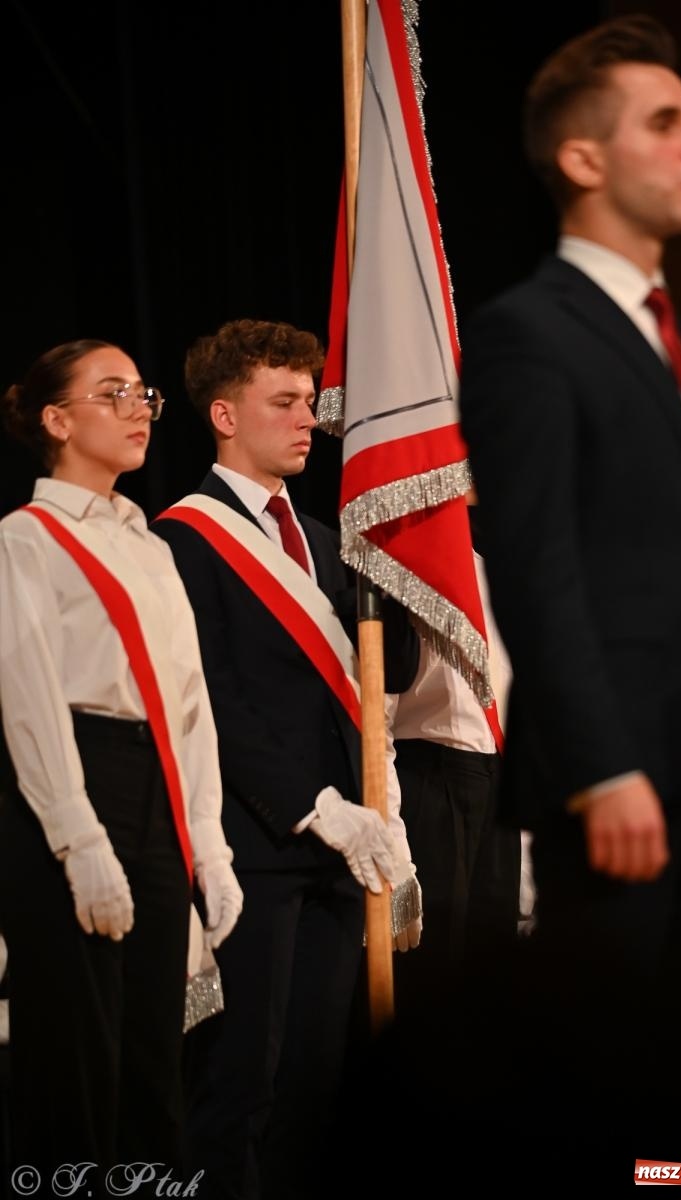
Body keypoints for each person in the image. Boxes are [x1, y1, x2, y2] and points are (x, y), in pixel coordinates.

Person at [457, 13, 681, 1168]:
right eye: (668, 120)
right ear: (584, 160)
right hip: (615, 786)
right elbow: (538, 568)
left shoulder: (680, 345)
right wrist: (602, 764)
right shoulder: (527, 336)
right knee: (601, 1092)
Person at [152, 318, 421, 1200]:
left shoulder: (320, 534)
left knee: (318, 1085)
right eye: (284, 402)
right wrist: (313, 802)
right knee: (242, 1087)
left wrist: (400, 563)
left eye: (310, 401)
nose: (308, 419)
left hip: (347, 851)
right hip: (257, 845)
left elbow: (389, 678)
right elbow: (210, 700)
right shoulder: (183, 539)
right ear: (224, 415)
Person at [0, 340, 243, 1187]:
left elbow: (190, 707)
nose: (141, 407)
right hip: (70, 786)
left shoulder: (148, 544)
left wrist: (207, 846)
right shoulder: (23, 540)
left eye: (143, 393)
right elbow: (26, 693)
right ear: (57, 420)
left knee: (151, 1057)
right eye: (114, 394)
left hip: (158, 793)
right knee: (74, 1058)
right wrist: (76, 835)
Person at [387, 502, 521, 1011]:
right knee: (433, 983)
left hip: (496, 781)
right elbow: (374, 719)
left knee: (493, 979)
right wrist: (393, 854)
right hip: (431, 781)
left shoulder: (496, 568)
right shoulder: (397, 565)